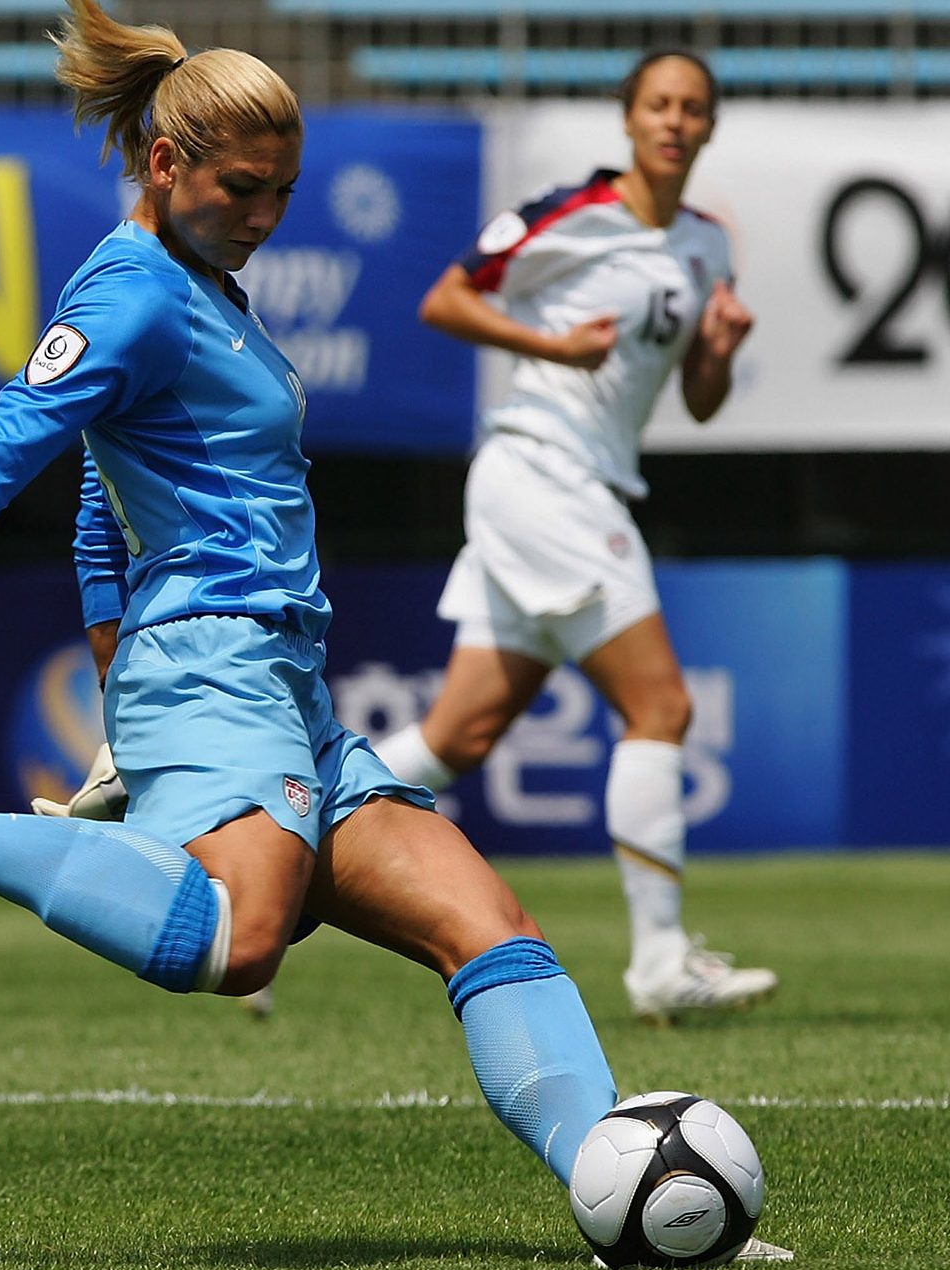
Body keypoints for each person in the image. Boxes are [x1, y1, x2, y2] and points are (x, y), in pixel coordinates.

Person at [0, 0, 620, 1196]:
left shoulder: (208, 291)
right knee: (236, 938)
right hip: (213, 666)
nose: (264, 218)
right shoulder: (134, 291)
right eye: (244, 189)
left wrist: (115, 693)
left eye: (284, 194)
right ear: (167, 163)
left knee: (493, 929)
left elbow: (102, 507)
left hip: (275, 685)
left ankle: (622, 1184)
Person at [372, 49, 778, 1024]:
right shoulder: (570, 212)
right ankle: (660, 962)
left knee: (457, 734)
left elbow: (700, 402)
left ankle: (273, 832)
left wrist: (717, 355)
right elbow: (445, 298)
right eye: (658, 105)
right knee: (662, 707)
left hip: (578, 484)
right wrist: (554, 344)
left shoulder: (710, 245)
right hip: (543, 477)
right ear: (628, 120)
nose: (674, 121)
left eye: (692, 107)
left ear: (709, 126)